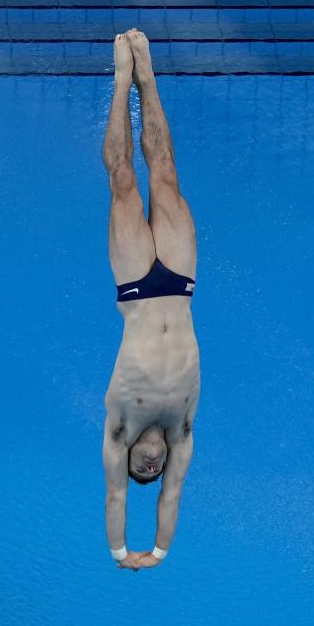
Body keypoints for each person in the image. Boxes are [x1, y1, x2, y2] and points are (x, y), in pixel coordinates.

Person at [101, 29, 199, 571]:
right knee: (165, 174)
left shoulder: (119, 428)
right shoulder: (182, 429)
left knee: (122, 183)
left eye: (142, 465)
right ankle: (148, 77)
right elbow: (173, 496)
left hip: (137, 289)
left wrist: (122, 550)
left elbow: (117, 498)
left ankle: (121, 84)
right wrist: (159, 551)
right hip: (181, 282)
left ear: (130, 457)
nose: (153, 462)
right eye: (153, 469)